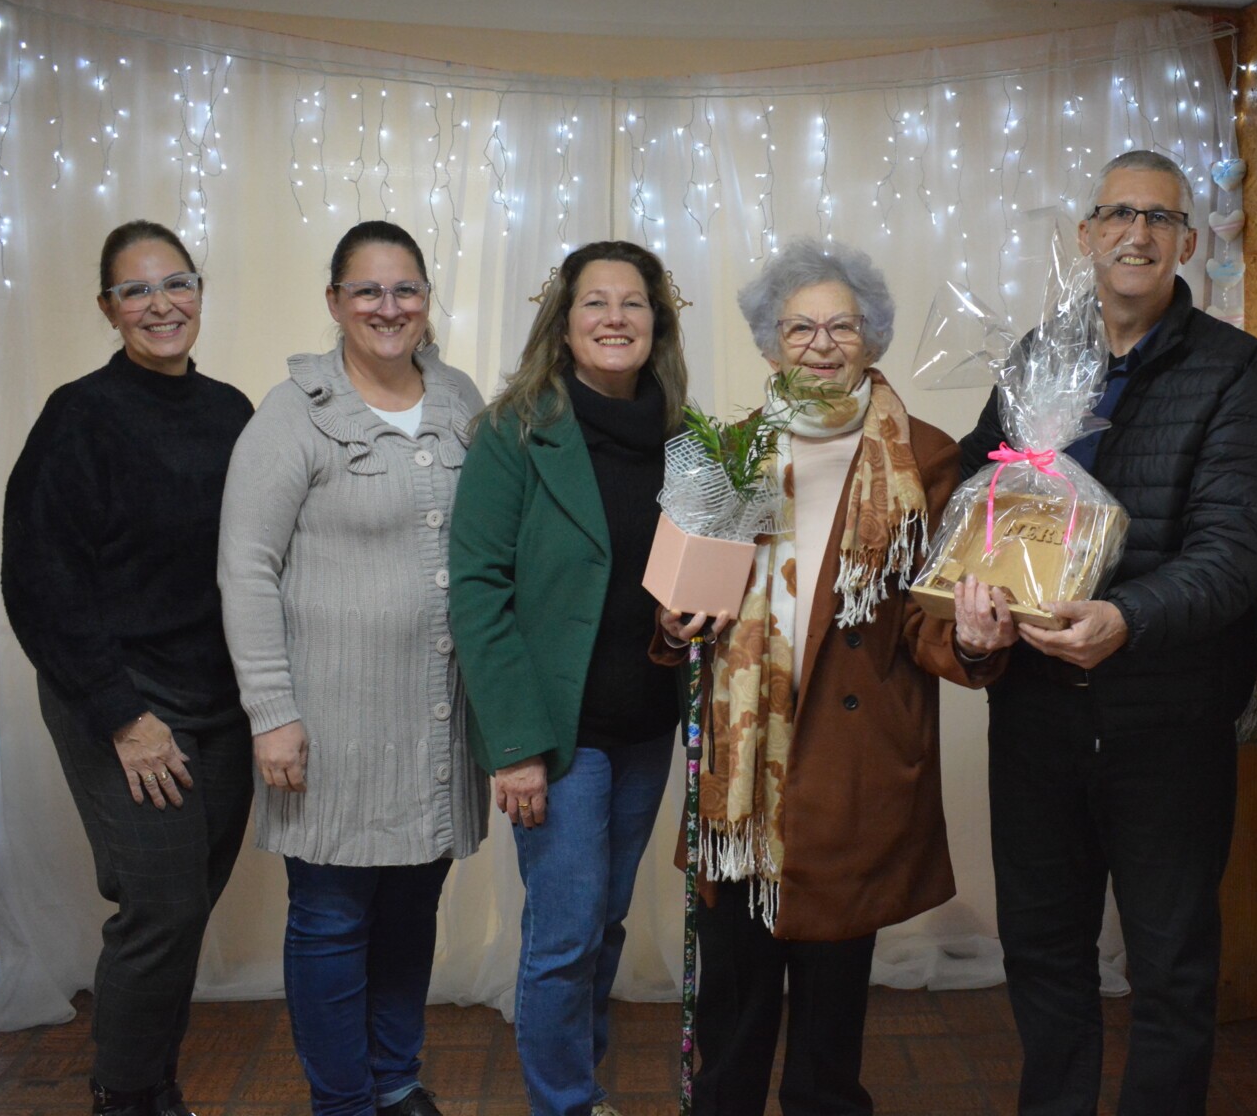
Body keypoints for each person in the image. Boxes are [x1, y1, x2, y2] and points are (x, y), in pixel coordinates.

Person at [959, 150, 1257, 1115]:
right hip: (1035, 718)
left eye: (1159, 218)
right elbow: (982, 515)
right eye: (1117, 215)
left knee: (1172, 964)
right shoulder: (1035, 359)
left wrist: (1127, 619)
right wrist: (975, 618)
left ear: (1188, 242)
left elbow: (1235, 553)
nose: (1136, 234)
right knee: (1044, 952)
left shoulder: (1235, 370)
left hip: (1166, 722)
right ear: (1086, 235)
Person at [653, 237, 1010, 1116]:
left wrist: (970, 639)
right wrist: (671, 621)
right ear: (771, 344)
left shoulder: (924, 455)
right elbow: (680, 602)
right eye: (799, 327)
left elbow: (927, 620)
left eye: (840, 325)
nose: (820, 342)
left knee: (829, 1013)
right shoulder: (723, 449)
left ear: (872, 339)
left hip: (852, 763)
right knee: (734, 1006)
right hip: (743, 776)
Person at [219, 221, 486, 1116]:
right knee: (334, 919)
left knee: (412, 913)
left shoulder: (458, 398)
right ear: (334, 301)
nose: (388, 307)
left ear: (425, 300)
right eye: (367, 291)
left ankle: (395, 1079)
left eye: (405, 289)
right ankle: (342, 1101)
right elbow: (245, 568)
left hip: (436, 717)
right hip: (328, 720)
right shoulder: (292, 413)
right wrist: (271, 711)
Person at [1, 220, 254, 1116]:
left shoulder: (232, 413)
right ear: (109, 309)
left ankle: (152, 1080)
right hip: (118, 697)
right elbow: (39, 583)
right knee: (161, 907)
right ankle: (128, 1094)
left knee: (187, 904)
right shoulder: (79, 415)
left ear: (199, 289)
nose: (162, 305)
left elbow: (257, 560)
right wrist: (125, 718)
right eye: (137, 291)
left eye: (176, 282)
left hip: (219, 698)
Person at [448, 240, 689, 1116]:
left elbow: (694, 569)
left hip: (647, 725)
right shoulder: (515, 432)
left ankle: (579, 1085)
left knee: (606, 923)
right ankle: (565, 1103)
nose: (615, 318)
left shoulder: (687, 438)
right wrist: (513, 746)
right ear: (564, 322)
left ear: (656, 321)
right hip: (557, 732)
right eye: (596, 302)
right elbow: (477, 594)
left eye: (633, 302)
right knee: (564, 933)